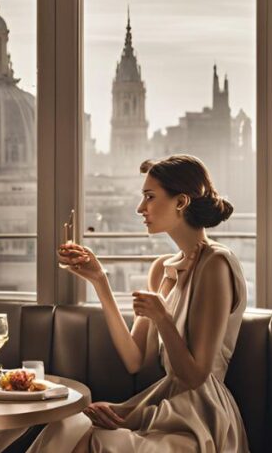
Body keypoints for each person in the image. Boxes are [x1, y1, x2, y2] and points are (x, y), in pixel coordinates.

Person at [46, 154, 249, 452]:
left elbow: (194, 377)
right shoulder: (162, 268)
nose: (141, 208)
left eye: (150, 197)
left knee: (98, 441)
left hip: (200, 418)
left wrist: (163, 318)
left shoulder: (216, 264)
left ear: (181, 202)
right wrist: (99, 280)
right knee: (66, 425)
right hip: (160, 406)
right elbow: (133, 358)